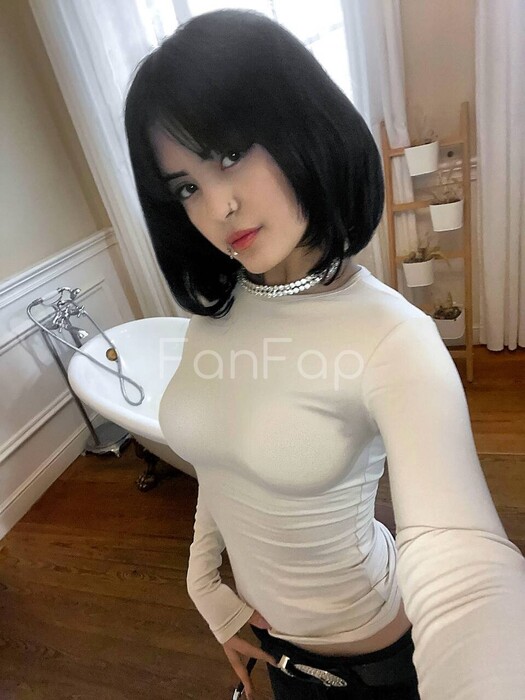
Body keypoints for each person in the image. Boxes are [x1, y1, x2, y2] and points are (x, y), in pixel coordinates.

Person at [124, 9, 525, 700]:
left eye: (229, 155)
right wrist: (205, 587)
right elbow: (219, 461)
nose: (217, 206)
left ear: (302, 127)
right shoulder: (217, 315)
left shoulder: (392, 337)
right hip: (276, 651)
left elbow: (459, 552)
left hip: (376, 660)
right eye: (185, 186)